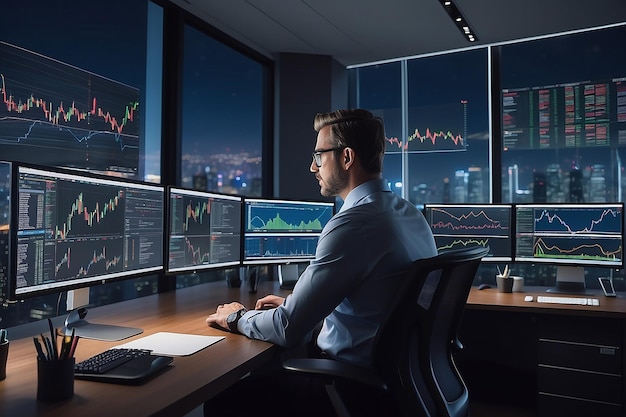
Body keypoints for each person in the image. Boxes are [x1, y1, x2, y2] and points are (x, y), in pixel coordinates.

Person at [204, 108, 437, 416]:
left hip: (350, 388)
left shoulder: (354, 224)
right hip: (402, 382)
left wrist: (237, 317)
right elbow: (372, 306)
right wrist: (296, 305)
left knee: (224, 401)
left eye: (318, 155)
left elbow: (288, 329)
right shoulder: (408, 213)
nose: (312, 167)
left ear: (346, 157)